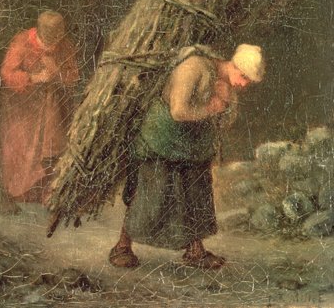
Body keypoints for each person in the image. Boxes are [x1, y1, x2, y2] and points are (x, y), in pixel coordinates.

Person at [109, 43, 265, 269]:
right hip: (164, 138)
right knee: (151, 193)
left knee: (196, 193)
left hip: (193, 145)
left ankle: (195, 251)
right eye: (244, 77)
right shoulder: (194, 67)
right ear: (233, 65)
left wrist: (226, 106)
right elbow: (178, 111)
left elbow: (225, 121)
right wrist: (210, 109)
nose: (244, 84)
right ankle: (122, 246)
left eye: (248, 81)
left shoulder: (227, 85)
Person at [0, 11, 79, 215]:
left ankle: (45, 193)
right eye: (52, 36)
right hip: (23, 108)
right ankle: (12, 195)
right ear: (41, 32)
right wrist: (34, 78)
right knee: (21, 149)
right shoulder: (22, 42)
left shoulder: (65, 46)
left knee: (50, 147)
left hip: (50, 107)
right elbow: (7, 73)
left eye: (60, 34)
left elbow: (73, 75)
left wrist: (57, 73)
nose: (57, 40)